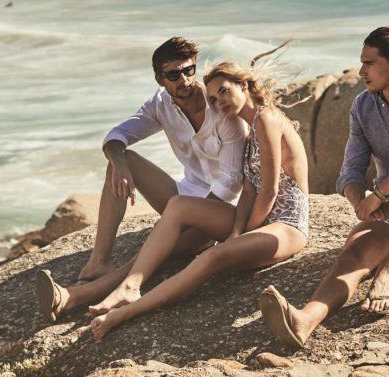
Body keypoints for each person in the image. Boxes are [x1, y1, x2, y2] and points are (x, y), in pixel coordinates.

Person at [259, 26, 389, 348]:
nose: (361, 72)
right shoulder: (362, 106)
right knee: (355, 252)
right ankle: (304, 321)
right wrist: (360, 202)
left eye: (369, 63)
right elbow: (350, 171)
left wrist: (381, 193)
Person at [85, 59, 310, 339]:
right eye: (213, 99)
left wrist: (241, 236)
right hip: (258, 221)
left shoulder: (267, 118)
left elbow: (270, 191)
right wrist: (237, 231)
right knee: (178, 205)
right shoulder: (249, 129)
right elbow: (250, 190)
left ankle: (124, 312)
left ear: (243, 85)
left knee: (212, 256)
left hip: (286, 225)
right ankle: (130, 285)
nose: (219, 103)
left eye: (224, 92)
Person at [36, 37, 246, 320]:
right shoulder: (161, 105)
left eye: (189, 70)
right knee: (123, 162)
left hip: (221, 213)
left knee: (150, 252)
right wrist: (119, 162)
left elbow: (232, 182)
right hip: (183, 200)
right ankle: (99, 261)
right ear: (160, 79)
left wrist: (182, 221)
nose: (183, 80)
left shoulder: (221, 108)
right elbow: (116, 136)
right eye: (173, 74)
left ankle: (73, 297)